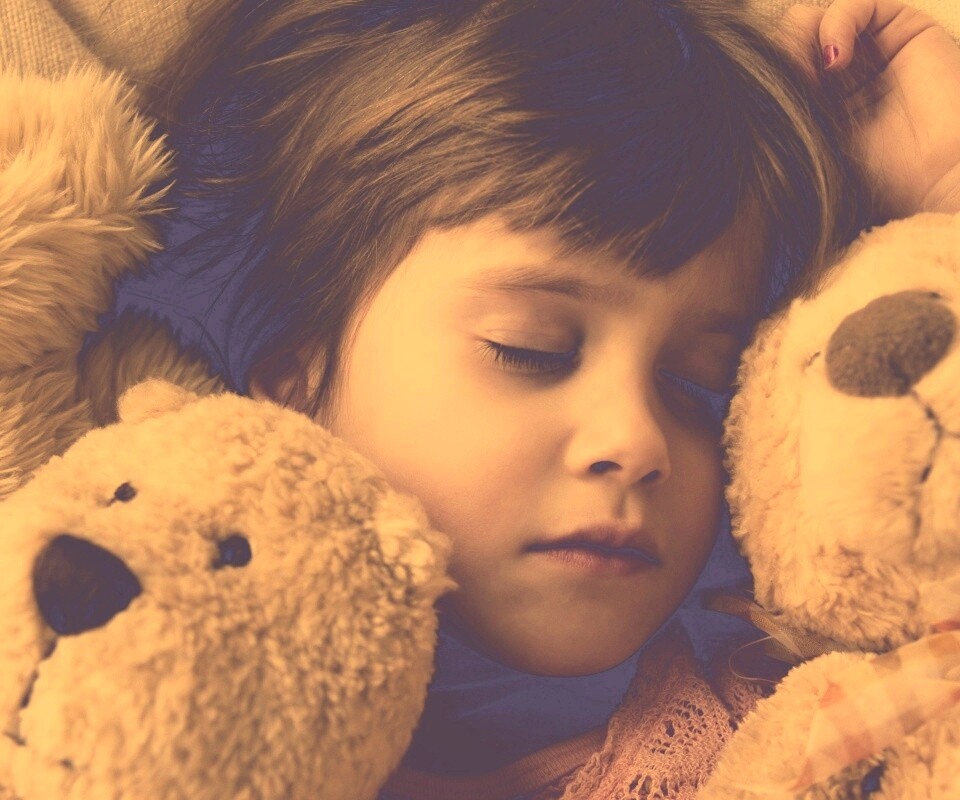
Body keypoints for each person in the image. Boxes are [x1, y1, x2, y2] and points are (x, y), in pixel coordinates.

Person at [85, 0, 960, 796]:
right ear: (296, 386)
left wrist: (943, 199)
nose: (637, 440)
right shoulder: (152, 716)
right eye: (532, 349)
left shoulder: (805, 720)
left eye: (698, 383)